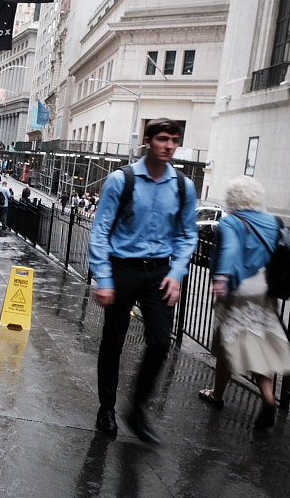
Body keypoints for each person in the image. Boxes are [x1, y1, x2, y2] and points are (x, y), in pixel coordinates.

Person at [87, 117, 197, 444]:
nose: (169, 146)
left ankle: (136, 409)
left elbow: (188, 234)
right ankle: (106, 408)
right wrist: (104, 278)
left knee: (161, 342)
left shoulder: (183, 186)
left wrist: (177, 272)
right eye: (163, 139)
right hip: (123, 269)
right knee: (113, 341)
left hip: (160, 273)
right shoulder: (123, 180)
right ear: (148, 141)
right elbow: (100, 231)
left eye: (174, 140)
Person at [197, 176, 290, 428]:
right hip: (264, 292)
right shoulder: (272, 222)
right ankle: (268, 397)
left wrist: (220, 278)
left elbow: (229, 249)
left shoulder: (231, 222)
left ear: (233, 198)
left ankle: (217, 395)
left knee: (227, 346)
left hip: (237, 291)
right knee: (259, 346)